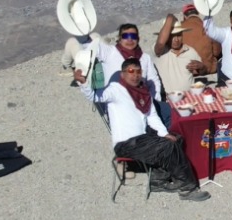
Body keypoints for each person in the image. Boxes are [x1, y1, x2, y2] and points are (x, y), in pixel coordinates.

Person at [78, 57, 209, 201]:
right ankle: (187, 188)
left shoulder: (143, 92)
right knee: (167, 146)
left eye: (138, 71)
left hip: (142, 138)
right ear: (123, 74)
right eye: (131, 71)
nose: (135, 75)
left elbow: (152, 116)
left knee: (176, 138)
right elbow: (94, 96)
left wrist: (164, 133)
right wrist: (83, 83)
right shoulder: (115, 90)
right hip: (126, 144)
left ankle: (158, 180)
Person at [153, 4, 220, 79]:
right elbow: (217, 52)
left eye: (178, 36)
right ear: (198, 14)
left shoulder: (180, 29)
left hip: (187, 72)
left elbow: (161, 43)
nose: (176, 39)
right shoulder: (206, 27)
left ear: (184, 16)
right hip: (208, 69)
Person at [152, 21, 203, 101]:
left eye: (179, 35)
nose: (176, 39)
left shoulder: (190, 51)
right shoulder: (160, 51)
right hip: (167, 99)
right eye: (172, 36)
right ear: (166, 37)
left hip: (189, 98)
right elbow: (160, 44)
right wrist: (170, 18)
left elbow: (199, 72)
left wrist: (202, 67)